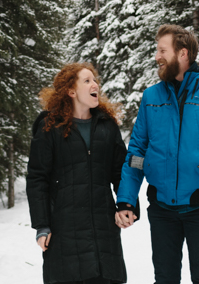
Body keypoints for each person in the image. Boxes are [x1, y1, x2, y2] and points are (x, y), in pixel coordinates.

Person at [115, 25, 199, 284]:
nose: (156, 56)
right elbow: (137, 151)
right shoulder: (152, 96)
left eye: (162, 50)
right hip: (162, 209)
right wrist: (126, 199)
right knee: (164, 279)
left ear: (183, 53)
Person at [27, 62, 132, 284]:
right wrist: (42, 225)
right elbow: (37, 179)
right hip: (65, 232)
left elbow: (121, 171)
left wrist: (126, 205)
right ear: (71, 91)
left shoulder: (107, 125)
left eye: (95, 80)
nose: (95, 84)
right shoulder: (49, 127)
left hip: (104, 231)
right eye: (87, 81)